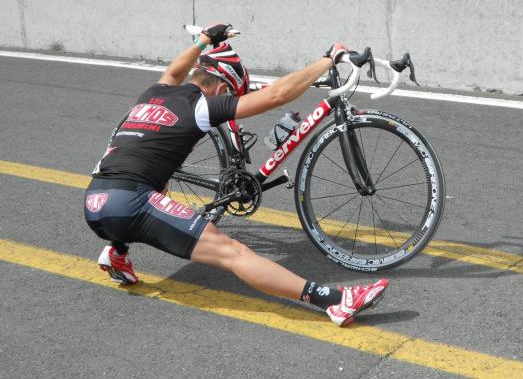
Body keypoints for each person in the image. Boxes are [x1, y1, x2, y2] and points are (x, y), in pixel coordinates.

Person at [84, 23, 389, 327]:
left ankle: (117, 251)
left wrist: (203, 41)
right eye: (229, 94)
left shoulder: (154, 93)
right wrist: (327, 59)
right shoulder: (200, 108)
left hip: (95, 201)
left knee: (155, 182)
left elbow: (175, 71)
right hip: (130, 204)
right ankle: (334, 301)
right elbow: (277, 95)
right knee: (233, 252)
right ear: (220, 90)